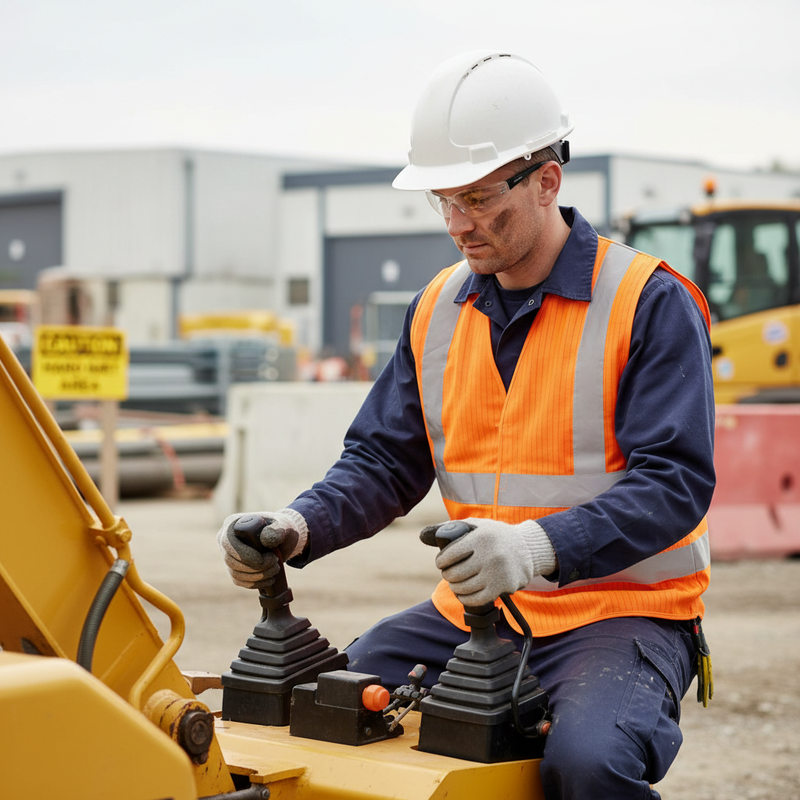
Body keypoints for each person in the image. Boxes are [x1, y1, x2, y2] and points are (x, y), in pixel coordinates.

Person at [218, 50, 715, 799]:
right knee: (326, 713)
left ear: (547, 180)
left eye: (480, 199)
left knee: (587, 765)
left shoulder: (648, 301)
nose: (459, 224)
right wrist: (298, 525)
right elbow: (384, 461)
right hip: (473, 614)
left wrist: (535, 546)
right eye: (443, 201)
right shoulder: (436, 311)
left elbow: (676, 485)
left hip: (623, 617)